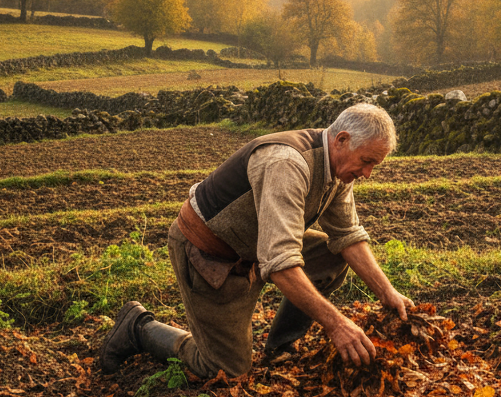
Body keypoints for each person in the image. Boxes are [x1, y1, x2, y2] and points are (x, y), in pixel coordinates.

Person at [99, 103, 413, 378]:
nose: (368, 173)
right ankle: (139, 326)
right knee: (225, 369)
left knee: (332, 256)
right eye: (367, 161)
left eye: (374, 165)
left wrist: (388, 293)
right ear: (342, 140)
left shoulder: (338, 168)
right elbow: (280, 263)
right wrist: (336, 325)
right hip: (211, 255)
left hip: (255, 246)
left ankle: (279, 347)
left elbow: (347, 237)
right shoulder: (287, 163)